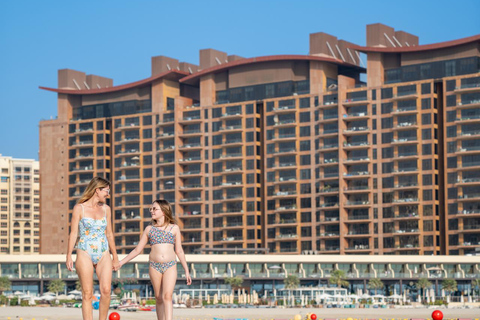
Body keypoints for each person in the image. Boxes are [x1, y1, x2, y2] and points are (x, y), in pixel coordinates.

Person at [118, 199, 192, 320]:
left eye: (154, 209)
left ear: (163, 211)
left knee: (167, 296)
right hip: (154, 266)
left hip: (170, 265)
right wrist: (121, 262)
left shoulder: (174, 228)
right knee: (158, 297)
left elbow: (179, 251)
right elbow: (137, 250)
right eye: (151, 209)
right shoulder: (149, 229)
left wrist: (186, 270)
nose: (151, 211)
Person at [66, 176, 119, 320]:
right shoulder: (79, 208)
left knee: (106, 290)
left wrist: (115, 256)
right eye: (106, 191)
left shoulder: (106, 209)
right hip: (84, 251)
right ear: (97, 190)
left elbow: (109, 233)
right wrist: (69, 255)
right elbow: (74, 233)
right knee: (87, 293)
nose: (108, 194)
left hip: (103, 252)